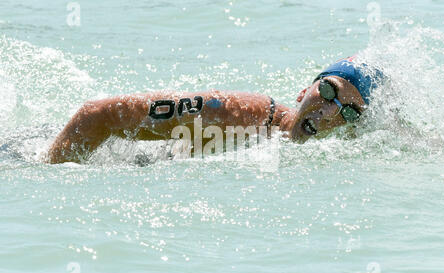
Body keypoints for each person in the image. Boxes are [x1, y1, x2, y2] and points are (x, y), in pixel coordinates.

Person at [47, 55, 383, 164]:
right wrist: (53, 174)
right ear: (304, 91)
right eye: (328, 91)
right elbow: (97, 114)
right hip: (31, 154)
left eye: (349, 111)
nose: (327, 112)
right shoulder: (238, 113)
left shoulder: (339, 151)